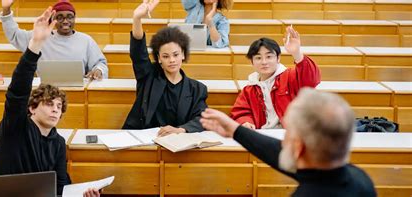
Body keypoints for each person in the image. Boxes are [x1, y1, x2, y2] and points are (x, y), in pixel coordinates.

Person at [0, 7, 100, 197]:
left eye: (59, 107)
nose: (56, 110)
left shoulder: (58, 143)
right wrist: (35, 45)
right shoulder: (16, 126)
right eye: (49, 104)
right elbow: (17, 91)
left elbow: (61, 186)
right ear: (32, 108)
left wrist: (82, 194)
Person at [200, 88, 376, 196]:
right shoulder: (360, 179)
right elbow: (282, 155)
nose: (283, 140)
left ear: (299, 147)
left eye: (288, 133)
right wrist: (235, 130)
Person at [122, 0, 208, 137]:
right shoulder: (148, 76)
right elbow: (138, 52)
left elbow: (202, 119)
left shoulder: (197, 89)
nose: (172, 60)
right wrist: (137, 18)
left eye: (175, 55)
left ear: (183, 55)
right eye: (166, 56)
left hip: (177, 144)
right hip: (145, 141)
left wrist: (181, 129)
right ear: (159, 58)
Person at [230, 26, 321, 130]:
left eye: (269, 57)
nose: (264, 62)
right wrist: (245, 122)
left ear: (278, 58)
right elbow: (240, 112)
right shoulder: (250, 89)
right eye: (258, 58)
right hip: (263, 135)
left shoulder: (290, 76)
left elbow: (312, 80)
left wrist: (297, 54)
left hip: (291, 133)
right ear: (252, 62)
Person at [0, 0, 108, 80]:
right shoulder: (40, 37)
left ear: (75, 19)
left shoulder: (86, 40)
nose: (65, 21)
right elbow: (14, 35)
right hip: (45, 92)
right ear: (53, 19)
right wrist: (6, 10)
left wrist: (98, 70)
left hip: (78, 91)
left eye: (69, 17)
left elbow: (100, 63)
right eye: (60, 17)